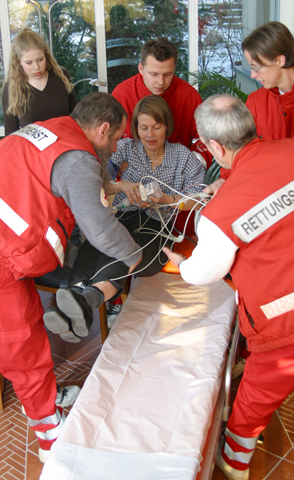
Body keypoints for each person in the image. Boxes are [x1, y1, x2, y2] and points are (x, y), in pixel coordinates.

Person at [0, 92, 142, 463]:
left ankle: (47, 399)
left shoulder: (52, 131)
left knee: (29, 321)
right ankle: (49, 431)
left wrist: (110, 188)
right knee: (20, 341)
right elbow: (98, 226)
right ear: (102, 129)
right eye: (115, 139)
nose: (115, 147)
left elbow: (59, 180)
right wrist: (133, 256)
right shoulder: (79, 159)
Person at [164, 94, 294, 480]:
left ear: (215, 147)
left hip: (282, 318)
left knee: (259, 391)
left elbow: (203, 273)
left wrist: (181, 262)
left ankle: (235, 461)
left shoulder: (220, 215)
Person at [43, 95, 205, 342]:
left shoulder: (183, 157)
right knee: (100, 244)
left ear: (167, 126)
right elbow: (97, 184)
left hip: (157, 226)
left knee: (126, 249)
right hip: (120, 216)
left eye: (157, 127)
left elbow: (200, 199)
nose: (149, 134)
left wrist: (166, 200)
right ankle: (79, 299)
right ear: (135, 128)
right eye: (143, 127)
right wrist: (122, 186)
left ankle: (78, 300)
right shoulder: (125, 148)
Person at [206, 21, 294, 196]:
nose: (253, 75)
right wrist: (224, 179)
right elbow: (241, 147)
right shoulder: (256, 101)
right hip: (267, 196)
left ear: (280, 60)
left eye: (256, 67)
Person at [111, 37, 212, 170]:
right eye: (153, 74)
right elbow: (107, 138)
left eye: (167, 74)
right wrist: (114, 165)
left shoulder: (189, 96)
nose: (160, 82)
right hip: (129, 177)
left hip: (178, 177)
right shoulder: (121, 94)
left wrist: (191, 167)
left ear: (174, 68)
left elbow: (207, 139)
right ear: (141, 68)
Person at [2, 28, 77, 136]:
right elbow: (10, 133)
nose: (36, 67)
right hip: (32, 151)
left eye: (40, 60)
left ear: (46, 55)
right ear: (19, 62)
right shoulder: (11, 88)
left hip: (65, 147)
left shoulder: (61, 76)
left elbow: (75, 117)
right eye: (29, 62)